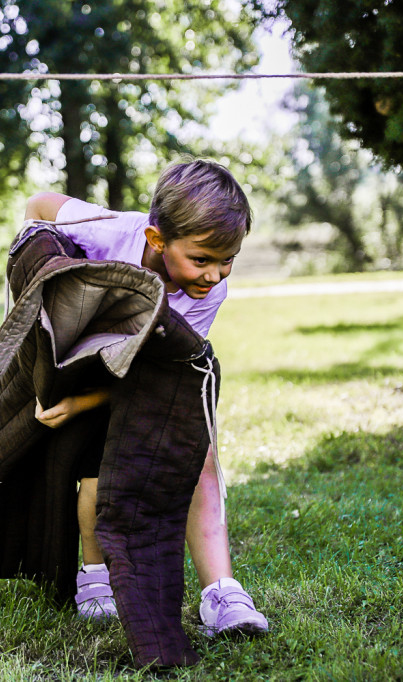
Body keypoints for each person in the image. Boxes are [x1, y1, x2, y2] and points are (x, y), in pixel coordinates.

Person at [22, 158, 269, 638]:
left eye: (228, 260)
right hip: (81, 355)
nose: (216, 275)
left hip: (145, 373)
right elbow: (38, 206)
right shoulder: (110, 231)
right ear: (157, 240)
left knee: (197, 449)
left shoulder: (206, 292)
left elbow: (158, 375)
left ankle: (222, 593)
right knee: (95, 461)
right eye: (202, 259)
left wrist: (85, 403)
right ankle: (95, 576)